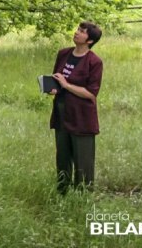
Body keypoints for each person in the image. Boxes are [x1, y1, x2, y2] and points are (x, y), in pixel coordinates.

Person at [49, 21, 102, 194]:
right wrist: (54, 87)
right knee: (62, 157)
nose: (77, 32)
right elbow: (58, 79)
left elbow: (91, 93)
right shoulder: (63, 53)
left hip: (82, 117)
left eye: (82, 32)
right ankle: (62, 192)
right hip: (62, 113)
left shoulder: (94, 62)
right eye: (78, 29)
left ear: (89, 41)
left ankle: (83, 196)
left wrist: (66, 85)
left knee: (83, 160)